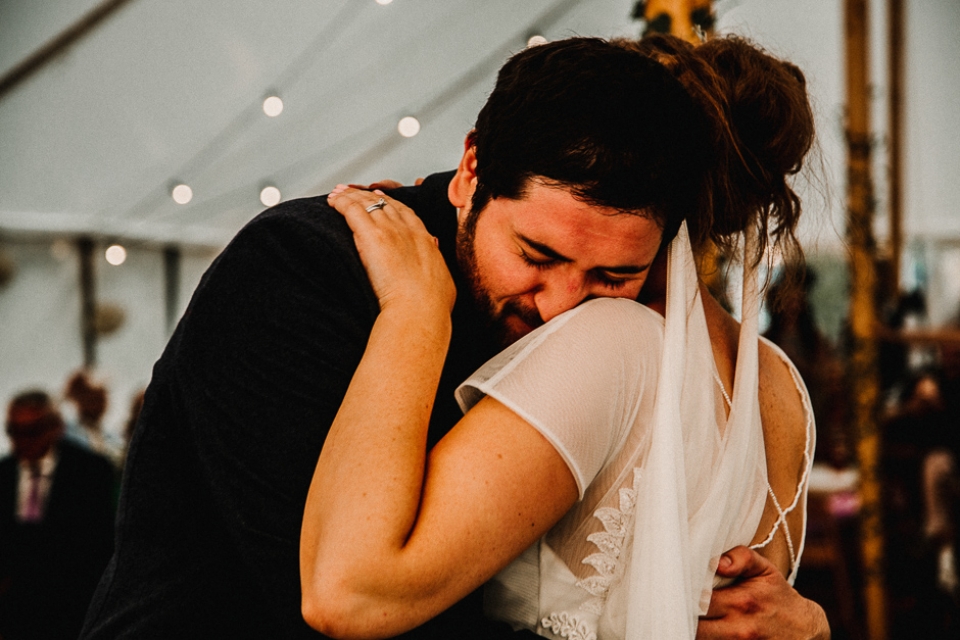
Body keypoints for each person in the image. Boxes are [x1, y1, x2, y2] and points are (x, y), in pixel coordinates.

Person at [81, 36, 826, 639]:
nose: (561, 306)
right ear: (473, 170)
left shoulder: (644, 348)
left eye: (610, 276)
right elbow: (332, 602)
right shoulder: (304, 268)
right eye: (537, 256)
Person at [300, 34, 822, 639]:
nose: (559, 305)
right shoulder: (779, 383)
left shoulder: (611, 343)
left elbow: (353, 593)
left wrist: (415, 308)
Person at [0, 390, 115, 640]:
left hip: (72, 607)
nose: (21, 441)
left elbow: (99, 543)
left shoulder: (90, 472)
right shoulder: (4, 474)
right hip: (15, 612)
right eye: (13, 431)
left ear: (55, 428)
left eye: (31, 432)